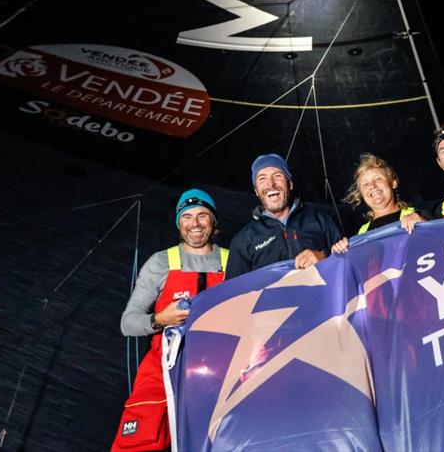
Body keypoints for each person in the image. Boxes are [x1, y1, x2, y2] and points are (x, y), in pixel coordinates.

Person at [112, 188, 228, 452]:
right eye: (186, 216)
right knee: (138, 440)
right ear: (179, 222)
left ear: (214, 221)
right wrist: (160, 319)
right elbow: (127, 323)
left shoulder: (233, 262)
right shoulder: (161, 262)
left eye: (202, 215)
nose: (195, 224)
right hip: (162, 367)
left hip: (216, 371)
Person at [226, 153, 343, 278]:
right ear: (256, 190)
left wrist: (324, 257)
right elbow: (234, 292)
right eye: (262, 178)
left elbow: (346, 263)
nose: (270, 184)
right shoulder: (244, 240)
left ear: (290, 184)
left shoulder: (319, 219)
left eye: (277, 176)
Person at [331, 153, 416, 253]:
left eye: (378, 179)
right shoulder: (360, 236)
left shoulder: (418, 216)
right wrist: (341, 252)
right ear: (360, 194)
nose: (372, 186)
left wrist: (424, 225)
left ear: (393, 183)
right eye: (366, 184)